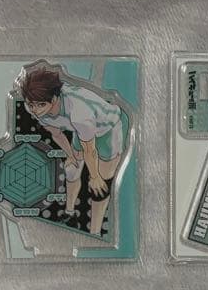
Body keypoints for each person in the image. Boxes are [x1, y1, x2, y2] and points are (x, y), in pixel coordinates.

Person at [20, 63, 129, 235]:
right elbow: (56, 134)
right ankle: (69, 213)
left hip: (110, 129)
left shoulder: (79, 112)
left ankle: (94, 233)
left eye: (40, 105)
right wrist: (70, 155)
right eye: (31, 105)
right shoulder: (33, 106)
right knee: (72, 169)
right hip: (82, 131)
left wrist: (94, 176)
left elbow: (90, 150)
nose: (35, 110)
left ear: (54, 100)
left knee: (100, 186)